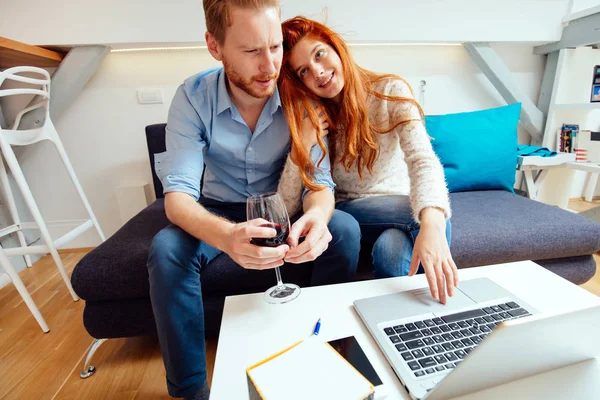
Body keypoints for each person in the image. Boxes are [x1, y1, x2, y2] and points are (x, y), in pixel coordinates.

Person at [147, 4, 361, 400]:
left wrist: (316, 217)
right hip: (216, 210)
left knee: (343, 229)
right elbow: (177, 201)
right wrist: (228, 236)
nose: (269, 66)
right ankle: (190, 392)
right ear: (215, 46)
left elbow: (321, 185)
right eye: (251, 52)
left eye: (275, 47)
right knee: (166, 250)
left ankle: (326, 358)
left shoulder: (301, 96)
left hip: (285, 206)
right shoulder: (192, 98)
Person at [277, 16, 458, 305]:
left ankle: (399, 335)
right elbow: (287, 206)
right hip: (346, 214)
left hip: (394, 214)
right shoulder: (313, 114)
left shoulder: (390, 90)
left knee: (393, 247)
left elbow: (422, 160)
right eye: (304, 71)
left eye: (319, 55)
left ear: (336, 47)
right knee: (432, 218)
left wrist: (432, 222)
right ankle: (428, 320)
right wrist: (302, 145)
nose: (319, 73)